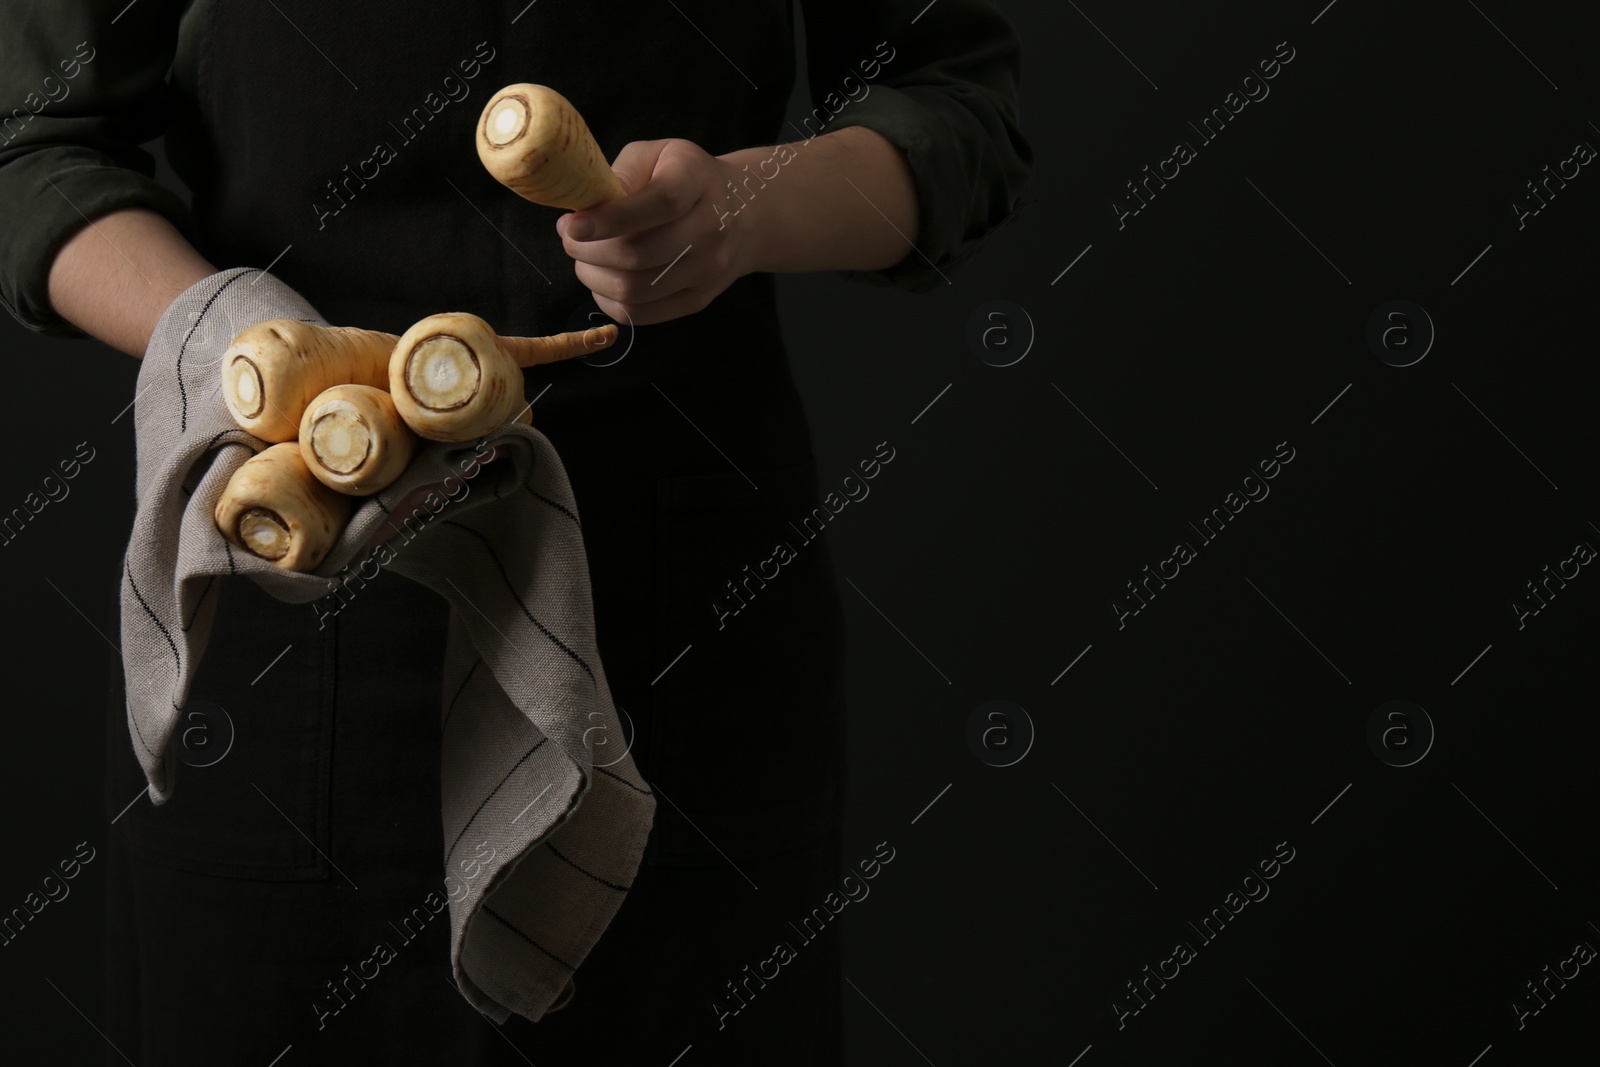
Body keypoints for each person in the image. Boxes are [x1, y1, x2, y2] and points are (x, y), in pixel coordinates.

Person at [0, 1, 1031, 1063]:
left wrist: (741, 207)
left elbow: (957, 108)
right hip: (281, 609)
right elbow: (31, 141)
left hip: (679, 616)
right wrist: (245, 345)